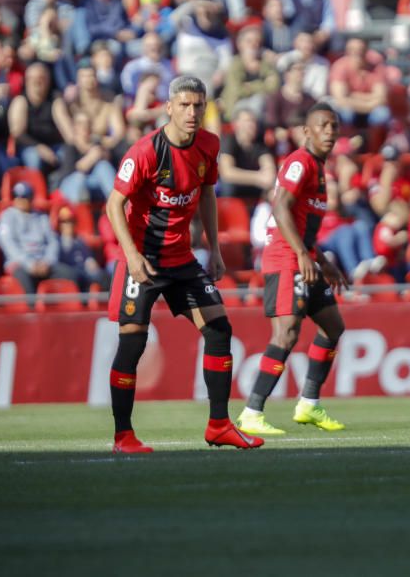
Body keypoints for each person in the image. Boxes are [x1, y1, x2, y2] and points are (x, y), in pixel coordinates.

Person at [104, 75, 261, 453]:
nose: (192, 112)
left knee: (220, 329)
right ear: (169, 108)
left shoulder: (209, 145)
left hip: (183, 259)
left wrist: (215, 247)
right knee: (133, 344)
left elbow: (206, 193)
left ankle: (219, 425)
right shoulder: (145, 152)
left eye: (199, 105)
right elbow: (113, 205)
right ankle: (123, 435)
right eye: (185, 105)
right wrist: (132, 256)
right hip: (144, 260)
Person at [237, 103, 349, 435]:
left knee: (332, 326)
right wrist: (302, 253)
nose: (329, 131)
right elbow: (281, 205)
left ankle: (309, 404)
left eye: (334, 126)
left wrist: (323, 261)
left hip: (305, 258)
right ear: (307, 131)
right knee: (286, 333)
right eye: (323, 125)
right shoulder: (300, 162)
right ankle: (252, 411)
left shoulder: (317, 168)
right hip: (287, 259)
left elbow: (304, 223)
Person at [0, 182, 80, 304]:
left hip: (44, 262)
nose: (20, 200)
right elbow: (9, 245)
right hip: (19, 264)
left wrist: (48, 261)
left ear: (31, 198)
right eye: (17, 196)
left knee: (71, 275)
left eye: (25, 197)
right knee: (26, 282)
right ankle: (32, 317)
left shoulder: (41, 216)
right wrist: (30, 264)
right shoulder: (7, 216)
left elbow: (53, 241)